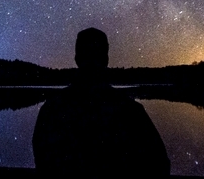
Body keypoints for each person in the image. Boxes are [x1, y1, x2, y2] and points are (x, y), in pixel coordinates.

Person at [32, 28, 170, 176]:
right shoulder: (130, 110)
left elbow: (42, 159)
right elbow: (160, 164)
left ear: (77, 58)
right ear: (106, 59)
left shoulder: (52, 109)